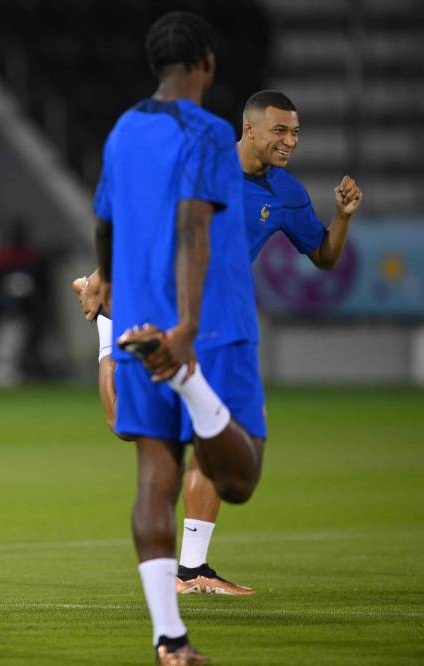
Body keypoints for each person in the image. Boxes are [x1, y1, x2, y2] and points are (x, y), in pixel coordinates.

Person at [74, 90, 363, 598]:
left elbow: (322, 255)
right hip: (157, 300)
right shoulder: (202, 168)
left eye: (295, 133)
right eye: (279, 131)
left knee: (223, 429)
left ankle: (193, 570)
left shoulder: (286, 193)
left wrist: (342, 217)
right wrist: (104, 274)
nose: (289, 141)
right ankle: (107, 333)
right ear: (249, 130)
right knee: (127, 426)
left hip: (215, 321)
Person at [78, 12, 265, 665]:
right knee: (240, 479)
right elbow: (193, 225)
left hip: (136, 327)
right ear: (206, 62)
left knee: (155, 477)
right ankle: (186, 379)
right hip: (206, 327)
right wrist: (186, 332)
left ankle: (170, 638)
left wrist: (105, 280)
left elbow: (102, 219)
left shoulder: (124, 132)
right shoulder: (211, 133)